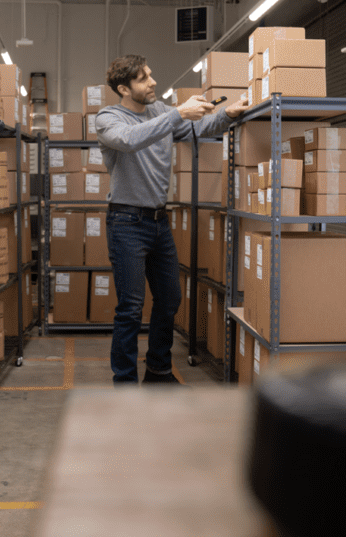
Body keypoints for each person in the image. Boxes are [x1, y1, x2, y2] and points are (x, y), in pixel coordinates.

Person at [96, 54, 249, 384]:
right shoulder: (108, 118)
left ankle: (158, 371)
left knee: (169, 298)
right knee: (131, 308)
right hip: (126, 223)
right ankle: (124, 384)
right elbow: (128, 140)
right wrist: (178, 113)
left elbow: (199, 127)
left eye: (151, 74)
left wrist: (227, 114)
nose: (152, 82)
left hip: (158, 222)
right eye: (142, 79)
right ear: (124, 88)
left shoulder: (160, 112)